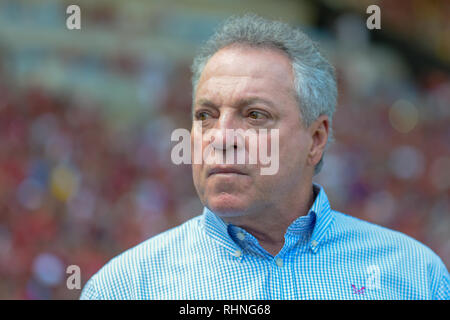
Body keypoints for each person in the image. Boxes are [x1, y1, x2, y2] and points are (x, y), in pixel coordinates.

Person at [80, 14, 449, 300]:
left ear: (316, 139)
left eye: (255, 115)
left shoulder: (414, 275)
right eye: (205, 115)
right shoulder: (126, 286)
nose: (222, 137)